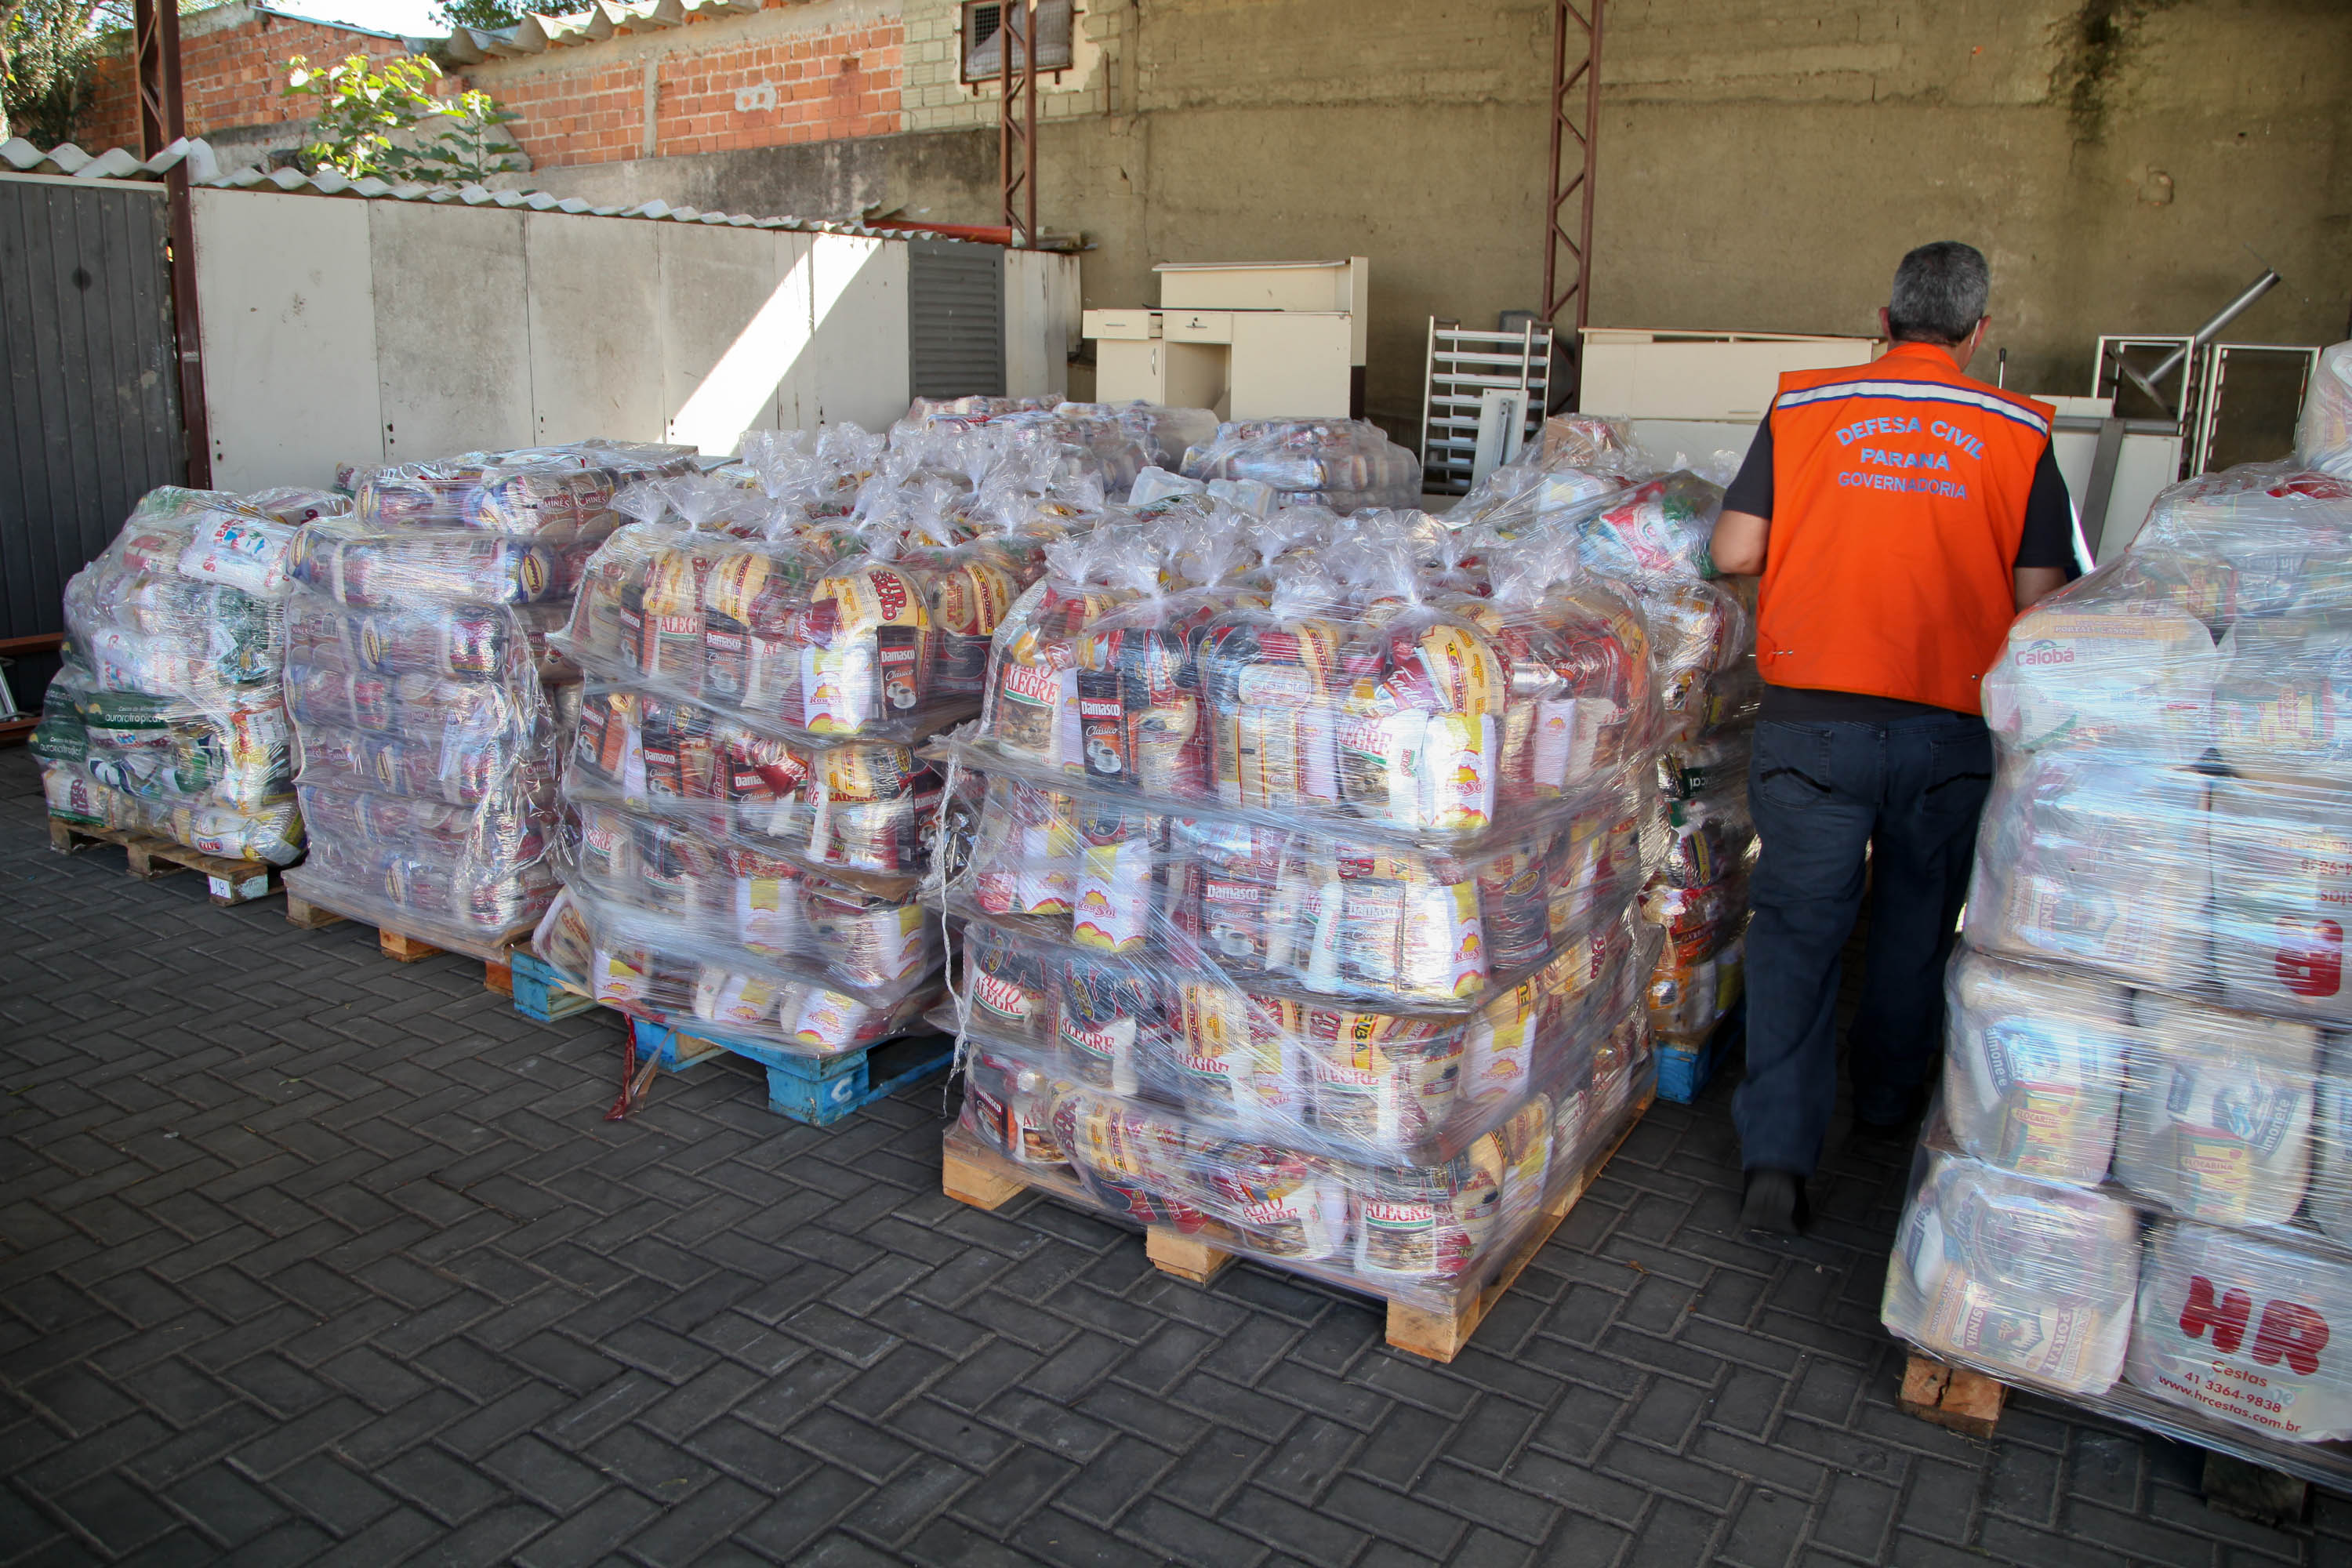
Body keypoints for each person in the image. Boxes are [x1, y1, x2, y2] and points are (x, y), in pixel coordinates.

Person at [1708, 241, 2075, 1236]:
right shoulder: (2021, 430)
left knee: (1798, 930)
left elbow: (1734, 548)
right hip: (1947, 731)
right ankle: (1882, 1105)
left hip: (1811, 726)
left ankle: (1777, 1158)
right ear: (1979, 331)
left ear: (1884, 318)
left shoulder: (1805, 407)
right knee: (1917, 921)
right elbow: (2044, 601)